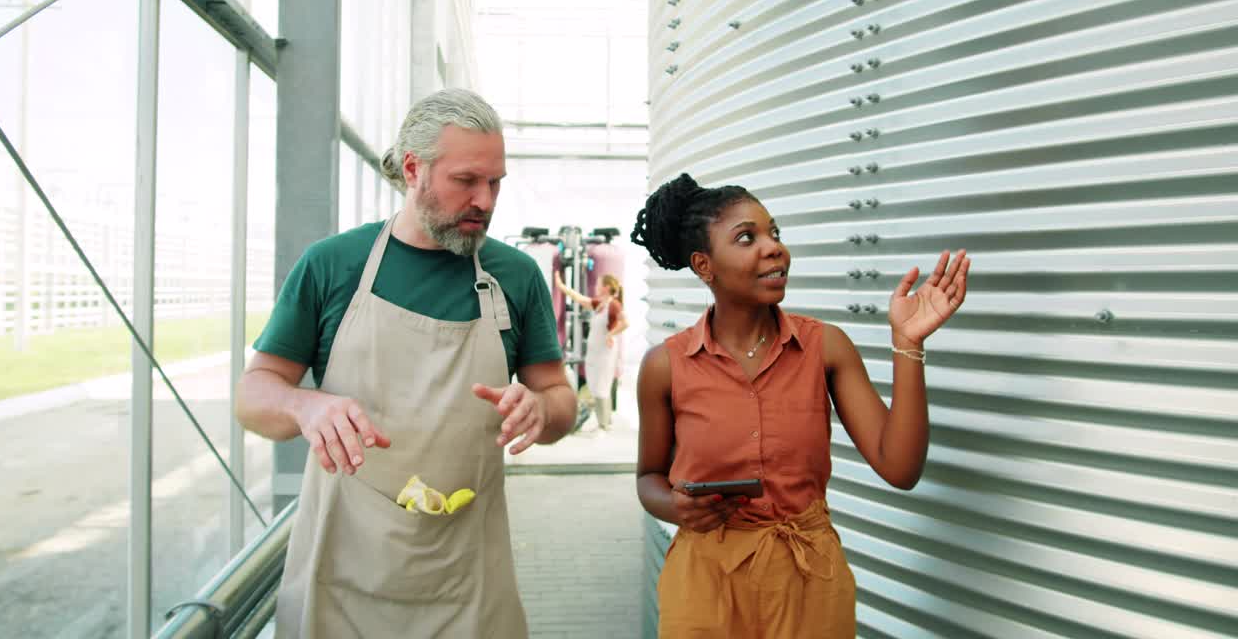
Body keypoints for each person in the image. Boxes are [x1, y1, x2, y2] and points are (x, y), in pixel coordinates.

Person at [235, 88, 578, 638]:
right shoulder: (333, 265)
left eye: (495, 183)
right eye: (466, 181)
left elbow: (560, 399)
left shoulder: (515, 277)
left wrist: (541, 407)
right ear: (414, 168)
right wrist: (303, 405)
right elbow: (253, 395)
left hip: (469, 580)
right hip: (342, 574)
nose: (485, 201)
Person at [631, 173, 969, 638]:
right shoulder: (664, 366)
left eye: (775, 233)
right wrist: (676, 507)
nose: (773, 248)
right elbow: (647, 478)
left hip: (809, 581)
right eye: (747, 238)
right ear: (703, 265)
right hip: (705, 586)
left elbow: (901, 468)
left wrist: (907, 343)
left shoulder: (826, 348)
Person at [554, 271, 628, 430]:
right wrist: (561, 286)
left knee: (601, 387)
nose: (596, 286)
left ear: (606, 288)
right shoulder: (599, 304)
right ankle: (604, 422)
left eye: (599, 284)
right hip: (595, 353)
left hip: (605, 353)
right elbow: (579, 298)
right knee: (595, 386)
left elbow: (625, 322)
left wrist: (610, 334)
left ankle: (603, 425)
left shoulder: (613, 305)